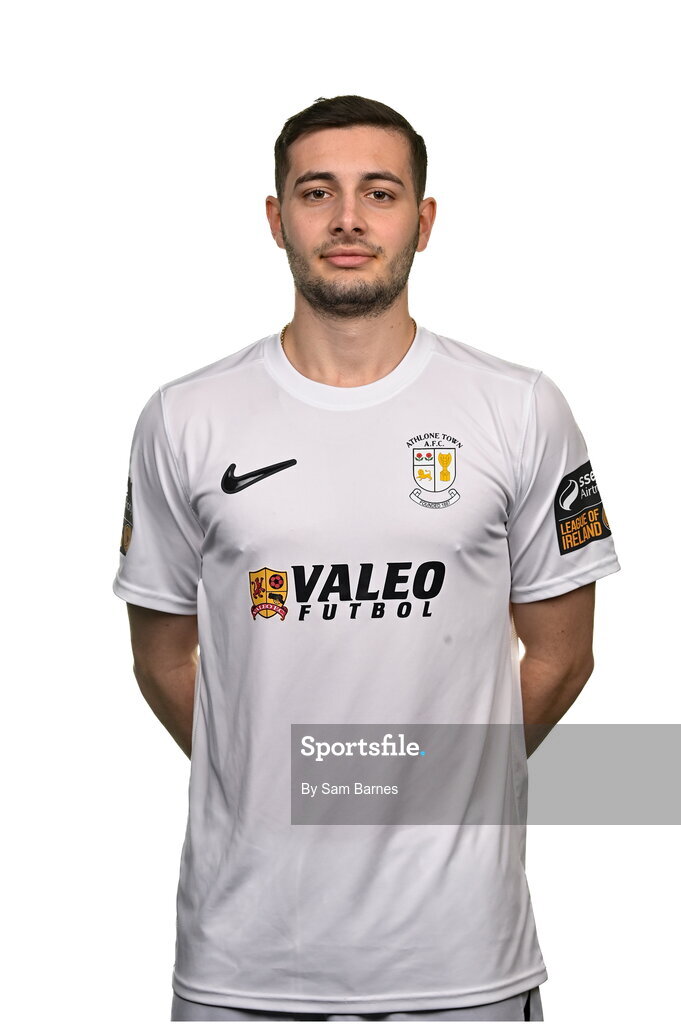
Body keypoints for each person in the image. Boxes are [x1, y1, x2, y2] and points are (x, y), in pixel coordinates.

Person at [113, 95, 621, 1022]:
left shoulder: (519, 409)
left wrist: (427, 784)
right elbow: (161, 659)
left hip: (461, 959)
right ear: (277, 219)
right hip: (247, 959)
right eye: (318, 192)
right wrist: (266, 774)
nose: (348, 218)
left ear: (421, 222)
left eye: (378, 193)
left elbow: (560, 654)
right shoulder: (184, 418)